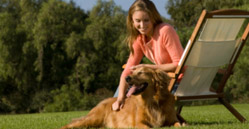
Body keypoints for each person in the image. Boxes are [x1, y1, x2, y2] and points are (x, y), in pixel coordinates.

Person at [112, 0, 184, 111]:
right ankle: (115, 111)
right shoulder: (139, 39)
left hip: (178, 81)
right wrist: (120, 97)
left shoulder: (165, 31)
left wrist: (148, 67)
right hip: (162, 81)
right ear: (132, 21)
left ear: (153, 18)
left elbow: (179, 64)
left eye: (146, 20)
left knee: (140, 83)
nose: (142, 25)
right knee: (128, 83)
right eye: (138, 21)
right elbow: (127, 70)